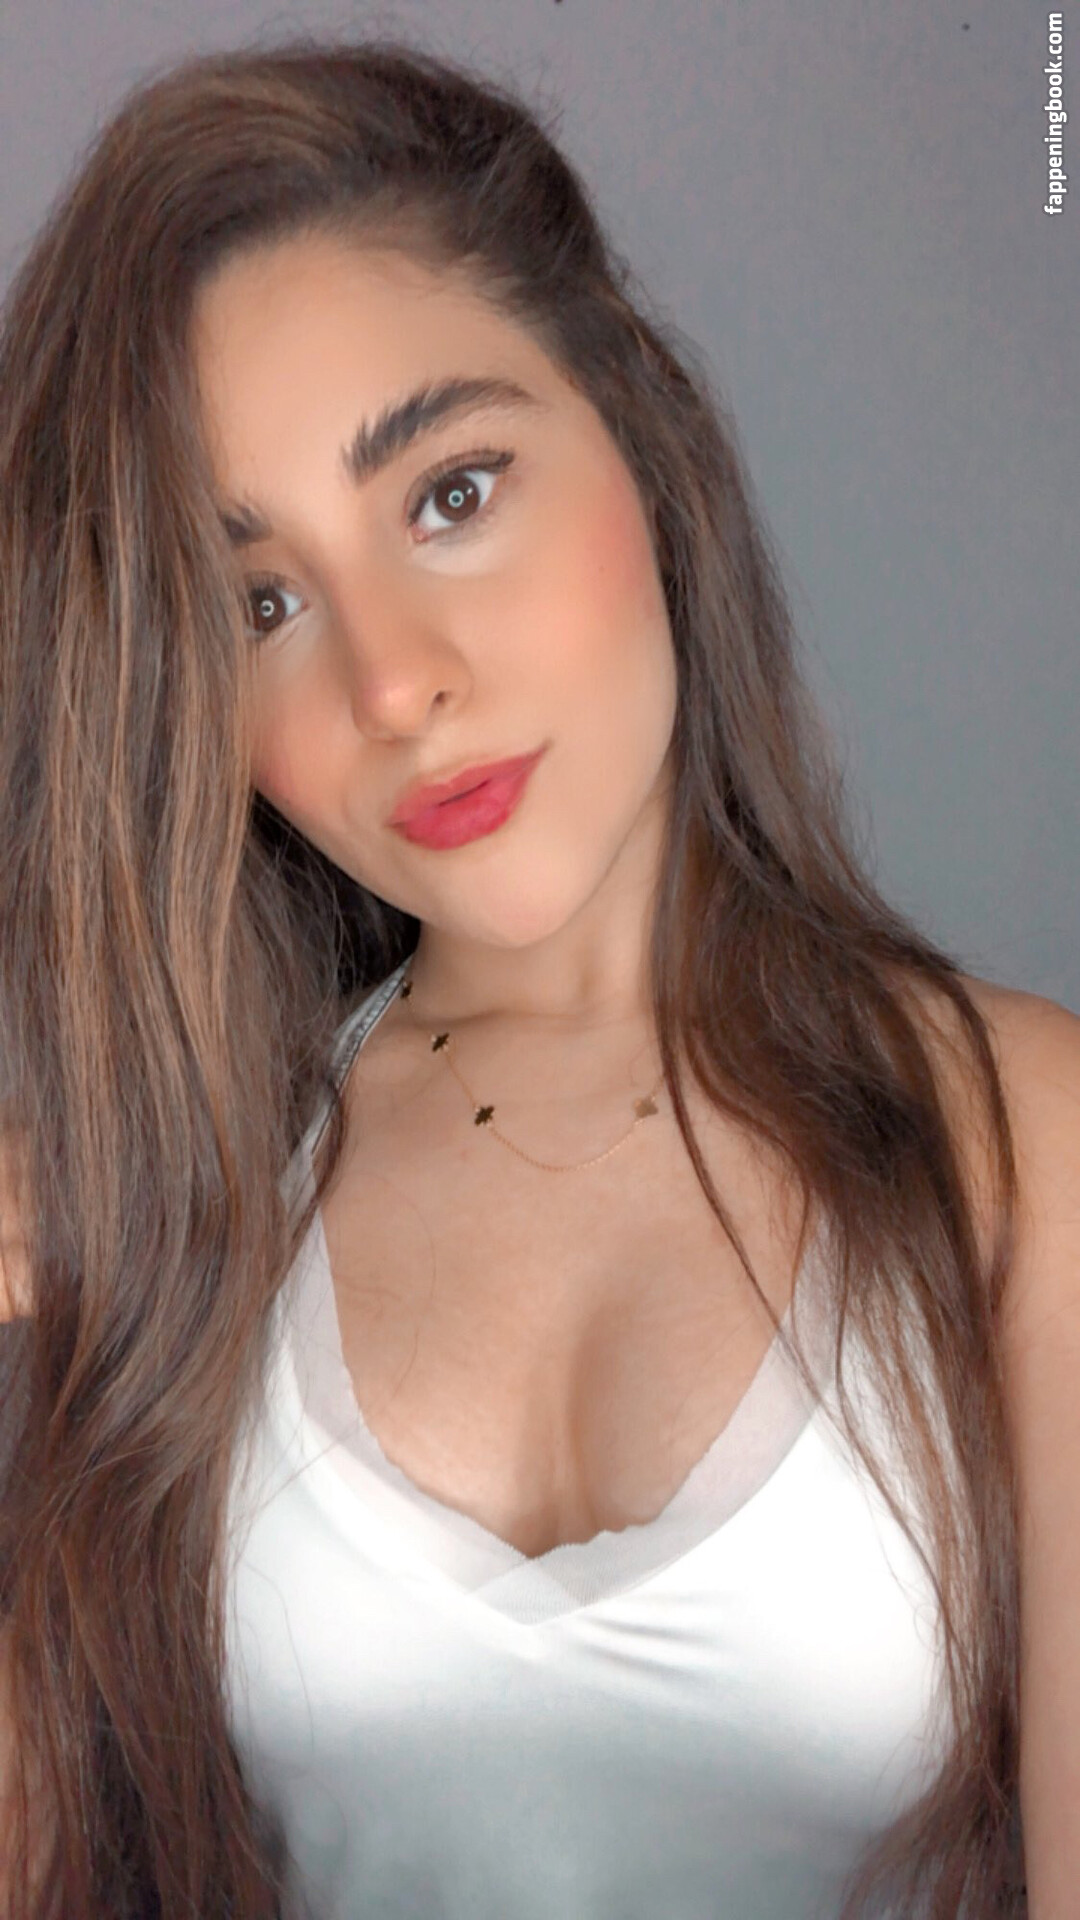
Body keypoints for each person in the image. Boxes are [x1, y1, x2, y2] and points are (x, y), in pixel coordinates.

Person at [0, 34, 1076, 1920]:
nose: (393, 680)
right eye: (259, 602)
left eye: (451, 493)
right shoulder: (185, 1198)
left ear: (641, 437)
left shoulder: (1018, 1146)